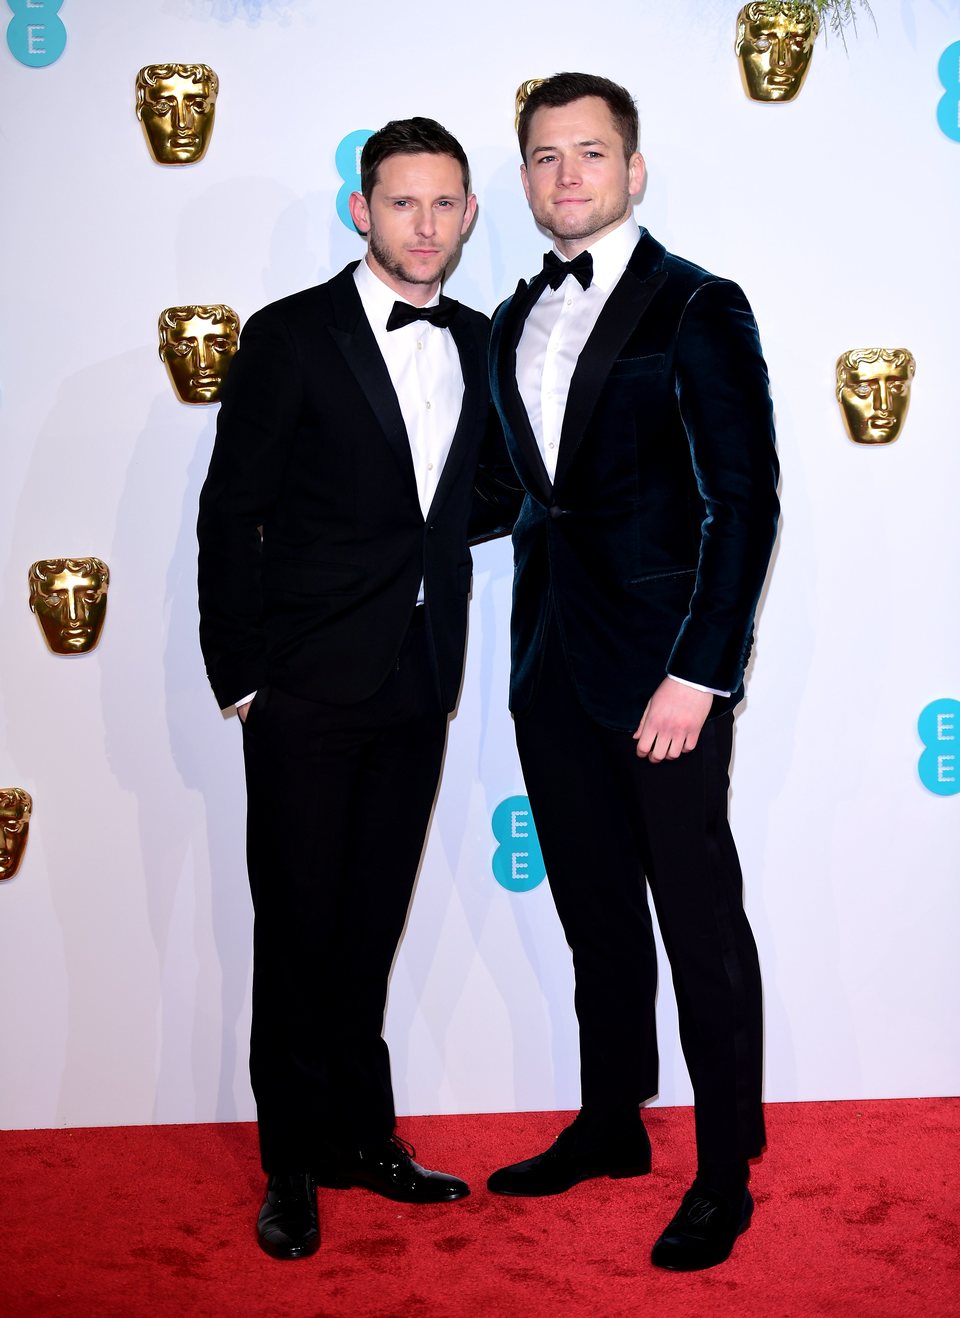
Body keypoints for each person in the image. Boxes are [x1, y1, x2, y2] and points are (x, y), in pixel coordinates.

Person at [197, 117, 516, 1260]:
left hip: (417, 683)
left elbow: (488, 492)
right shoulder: (290, 336)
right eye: (401, 204)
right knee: (296, 932)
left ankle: (362, 1138)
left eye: (444, 205)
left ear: (468, 216)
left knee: (368, 926)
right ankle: (291, 1165)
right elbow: (232, 514)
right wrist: (242, 678)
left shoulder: (485, 340)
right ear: (360, 209)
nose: (423, 225)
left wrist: (430, 554)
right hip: (301, 690)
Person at [487, 72, 780, 1272]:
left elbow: (744, 504)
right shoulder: (509, 318)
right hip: (551, 665)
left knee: (699, 919)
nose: (568, 177)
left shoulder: (698, 306)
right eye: (548, 158)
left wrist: (700, 674)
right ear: (525, 181)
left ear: (634, 169)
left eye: (590, 154)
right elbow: (524, 495)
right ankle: (613, 1122)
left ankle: (723, 1168)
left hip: (664, 679)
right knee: (595, 915)